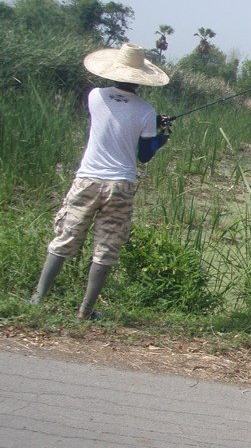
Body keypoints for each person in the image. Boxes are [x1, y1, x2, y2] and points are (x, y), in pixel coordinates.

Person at [30, 43, 171, 319]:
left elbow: (115, 118)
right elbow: (144, 155)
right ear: (141, 78)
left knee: (65, 238)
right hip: (121, 185)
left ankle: (38, 298)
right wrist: (161, 136)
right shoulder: (146, 111)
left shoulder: (95, 96)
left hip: (88, 179)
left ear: (114, 70)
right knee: (106, 248)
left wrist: (152, 124)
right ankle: (86, 310)